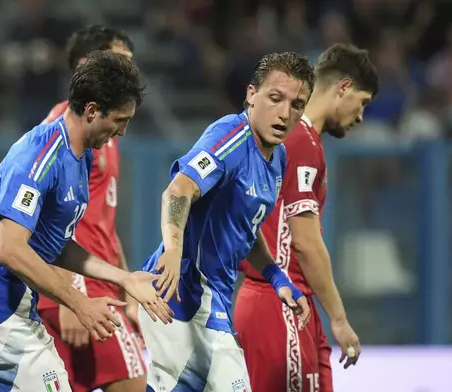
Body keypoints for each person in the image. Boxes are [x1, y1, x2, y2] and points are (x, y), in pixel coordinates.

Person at [0, 51, 173, 392]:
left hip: (3, 305)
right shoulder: (38, 157)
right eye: (120, 120)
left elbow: (55, 247)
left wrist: (123, 277)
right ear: (92, 110)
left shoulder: (80, 156)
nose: (123, 131)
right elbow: (10, 250)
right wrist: (79, 303)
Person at [139, 52, 316, 391]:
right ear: (252, 94)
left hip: (212, 299)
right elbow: (178, 190)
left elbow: (246, 229)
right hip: (183, 294)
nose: (284, 113)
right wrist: (173, 250)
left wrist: (277, 276)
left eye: (297, 105)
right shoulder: (231, 137)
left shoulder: (277, 157)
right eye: (275, 98)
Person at [235, 43, 379, 392]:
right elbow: (305, 242)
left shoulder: (295, 139)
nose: (360, 116)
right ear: (343, 87)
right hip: (280, 302)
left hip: (287, 301)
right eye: (362, 102)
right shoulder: (300, 141)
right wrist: (340, 319)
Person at [37, 25, 147, 392]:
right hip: (80, 292)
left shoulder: (108, 131)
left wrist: (127, 288)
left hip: (98, 287)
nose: (131, 75)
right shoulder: (63, 130)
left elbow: (103, 223)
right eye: (120, 64)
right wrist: (69, 297)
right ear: (89, 66)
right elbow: (44, 215)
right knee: (134, 383)